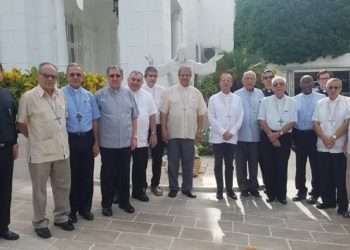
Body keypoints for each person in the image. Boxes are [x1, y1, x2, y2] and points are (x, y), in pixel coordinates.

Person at [17, 62, 74, 239]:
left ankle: (61, 217)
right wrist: (36, 138)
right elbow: (21, 123)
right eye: (46, 75)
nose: (50, 79)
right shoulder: (28, 97)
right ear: (38, 76)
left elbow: (62, 119)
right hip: (40, 153)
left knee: (63, 187)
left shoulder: (61, 95)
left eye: (53, 76)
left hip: (62, 150)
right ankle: (40, 222)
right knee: (40, 190)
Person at [95, 65, 138, 216]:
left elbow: (134, 117)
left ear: (121, 77)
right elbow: (96, 121)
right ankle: (106, 205)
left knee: (124, 174)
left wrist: (134, 137)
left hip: (125, 143)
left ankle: (124, 202)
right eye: (111, 76)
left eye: (117, 76)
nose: (114, 78)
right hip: (107, 144)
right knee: (108, 175)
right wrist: (96, 141)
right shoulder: (99, 95)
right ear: (107, 77)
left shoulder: (128, 94)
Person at [160, 66, 207, 198]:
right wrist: (163, 129)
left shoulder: (196, 93)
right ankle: (173, 188)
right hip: (173, 133)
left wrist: (199, 131)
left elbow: (201, 113)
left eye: (187, 75)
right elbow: (163, 112)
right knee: (173, 162)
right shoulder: (169, 92)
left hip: (189, 134)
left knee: (188, 162)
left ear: (190, 76)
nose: (185, 77)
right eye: (182, 75)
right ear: (178, 76)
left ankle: (187, 188)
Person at [62, 63, 100, 223]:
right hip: (69, 139)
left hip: (86, 138)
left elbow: (95, 120)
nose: (76, 77)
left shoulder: (89, 96)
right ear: (67, 76)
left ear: (82, 77)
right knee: (71, 176)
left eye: (78, 74)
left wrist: (96, 142)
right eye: (72, 74)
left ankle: (85, 208)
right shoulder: (59, 94)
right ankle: (72, 210)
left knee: (86, 175)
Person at [258, 76, 297, 205]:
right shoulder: (265, 101)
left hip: (284, 137)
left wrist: (278, 134)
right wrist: (271, 135)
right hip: (267, 135)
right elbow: (261, 120)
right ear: (272, 87)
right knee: (268, 166)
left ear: (285, 87)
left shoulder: (292, 101)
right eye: (276, 85)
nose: (279, 86)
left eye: (281, 84)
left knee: (281, 166)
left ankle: (281, 195)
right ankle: (270, 193)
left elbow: (292, 122)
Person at [313, 78, 348, 217]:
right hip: (322, 145)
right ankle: (328, 201)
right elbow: (315, 123)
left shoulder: (347, 102)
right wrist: (325, 138)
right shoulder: (320, 103)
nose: (333, 90)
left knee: (340, 178)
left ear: (340, 88)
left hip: (339, 147)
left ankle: (343, 205)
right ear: (326, 88)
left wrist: (333, 138)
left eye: (336, 87)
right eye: (330, 87)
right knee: (325, 175)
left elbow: (346, 123)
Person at [208, 72, 243, 200]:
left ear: (231, 83)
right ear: (220, 82)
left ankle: (229, 190)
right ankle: (219, 190)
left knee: (229, 165)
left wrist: (232, 132)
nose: (226, 82)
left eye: (228, 80)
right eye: (223, 80)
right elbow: (211, 117)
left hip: (232, 138)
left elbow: (240, 117)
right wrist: (223, 132)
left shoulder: (237, 99)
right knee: (218, 165)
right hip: (218, 137)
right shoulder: (213, 98)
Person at [292, 75, 324, 203]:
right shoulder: (294, 100)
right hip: (299, 135)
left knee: (315, 166)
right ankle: (301, 191)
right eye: (304, 82)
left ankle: (315, 192)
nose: (306, 85)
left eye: (308, 82)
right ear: (300, 84)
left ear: (313, 83)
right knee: (300, 166)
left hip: (314, 134)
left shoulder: (321, 98)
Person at [127, 71, 157, 202]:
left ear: (142, 82)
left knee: (140, 167)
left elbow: (152, 116)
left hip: (142, 138)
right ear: (128, 80)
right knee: (122, 168)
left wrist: (154, 133)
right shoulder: (122, 93)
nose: (135, 82)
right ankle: (119, 193)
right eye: (133, 79)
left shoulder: (147, 96)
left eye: (138, 80)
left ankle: (138, 191)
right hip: (124, 139)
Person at [235, 71, 264, 198]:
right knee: (241, 164)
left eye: (252, 78)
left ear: (255, 80)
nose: (249, 80)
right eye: (247, 78)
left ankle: (253, 187)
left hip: (256, 136)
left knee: (253, 163)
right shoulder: (236, 95)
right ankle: (243, 188)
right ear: (243, 80)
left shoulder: (260, 94)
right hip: (240, 136)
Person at [0, 63, 20, 240]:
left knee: (5, 190)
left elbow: (14, 122)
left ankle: (3, 227)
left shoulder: (8, 96)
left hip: (6, 151)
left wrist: (15, 143)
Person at [142, 66, 165, 196]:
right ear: (145, 77)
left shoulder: (162, 90)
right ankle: (142, 185)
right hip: (144, 128)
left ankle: (155, 184)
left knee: (157, 158)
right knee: (143, 158)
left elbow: (164, 110)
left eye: (155, 76)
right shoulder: (140, 89)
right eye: (150, 76)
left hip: (158, 126)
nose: (152, 78)